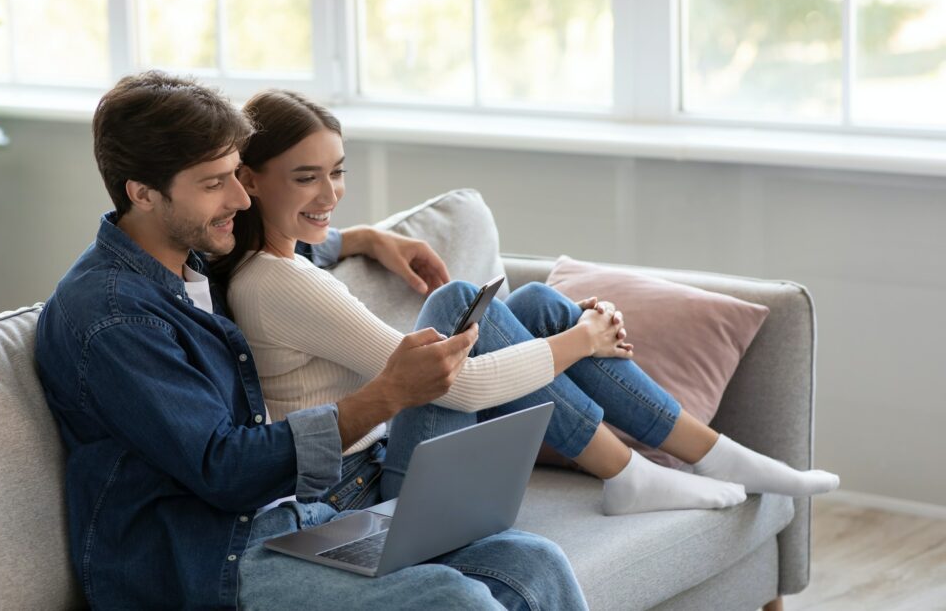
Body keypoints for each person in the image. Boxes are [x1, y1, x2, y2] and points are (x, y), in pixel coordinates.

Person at [34, 71, 588, 611]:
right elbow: (224, 469)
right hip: (212, 562)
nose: (241, 198)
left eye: (235, 174)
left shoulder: (192, 254)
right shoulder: (115, 320)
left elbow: (275, 241)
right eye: (214, 183)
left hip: (297, 519)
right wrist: (386, 394)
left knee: (533, 564)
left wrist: (363, 239)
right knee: (450, 600)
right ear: (143, 193)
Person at [217, 89, 840, 519]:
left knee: (539, 301)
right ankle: (634, 471)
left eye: (338, 171)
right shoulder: (278, 283)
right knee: (464, 300)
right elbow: (450, 387)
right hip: (370, 494)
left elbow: (315, 247)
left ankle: (707, 455)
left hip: (384, 463)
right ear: (248, 180)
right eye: (307, 177)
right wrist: (583, 340)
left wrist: (368, 238)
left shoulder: (279, 258)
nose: (332, 193)